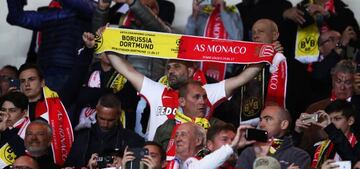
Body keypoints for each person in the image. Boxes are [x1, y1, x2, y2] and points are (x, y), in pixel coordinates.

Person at [101, 43, 263, 140]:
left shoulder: (205, 93)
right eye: (169, 67)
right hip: (158, 158)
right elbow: (127, 71)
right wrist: (107, 44)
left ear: (192, 71)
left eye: (177, 67)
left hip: (194, 158)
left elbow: (241, 79)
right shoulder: (157, 91)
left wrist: (264, 57)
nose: (171, 71)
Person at [6, 0, 95, 91]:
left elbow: (86, 7)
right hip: (42, 72)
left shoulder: (89, 7)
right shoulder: (49, 15)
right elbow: (16, 17)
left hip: (69, 72)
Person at [236, 104, 311, 169]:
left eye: (268, 119)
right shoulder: (249, 153)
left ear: (283, 124)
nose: (261, 124)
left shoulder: (300, 156)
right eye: (261, 120)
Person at [66, 94, 144, 168]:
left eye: (110, 120)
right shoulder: (82, 137)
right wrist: (87, 167)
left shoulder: (132, 139)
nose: (105, 124)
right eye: (102, 118)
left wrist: (124, 167)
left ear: (119, 114)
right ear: (96, 110)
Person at [298, 60, 360, 153]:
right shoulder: (315, 108)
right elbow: (303, 147)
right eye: (338, 81)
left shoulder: (357, 108)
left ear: (354, 84)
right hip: (318, 163)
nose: (342, 87)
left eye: (347, 82)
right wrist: (297, 131)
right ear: (332, 80)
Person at [154, 80, 224, 160]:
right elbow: (155, 157)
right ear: (182, 102)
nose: (202, 102)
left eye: (204, 97)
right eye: (196, 97)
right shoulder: (167, 126)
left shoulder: (217, 127)